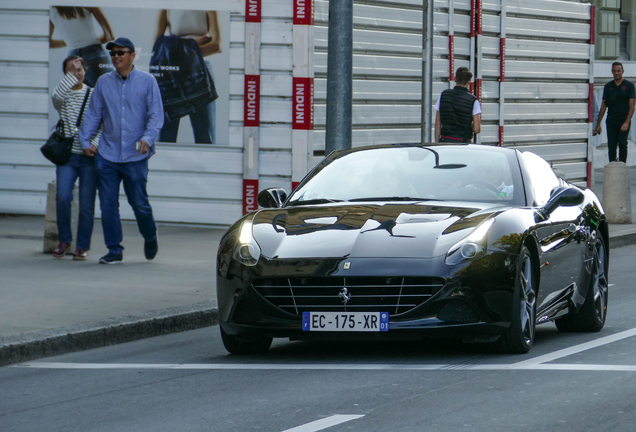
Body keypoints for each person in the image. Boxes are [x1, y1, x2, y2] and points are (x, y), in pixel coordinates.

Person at [79, 37, 164, 264]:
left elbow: (156, 115)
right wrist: (85, 140)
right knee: (108, 204)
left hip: (135, 156)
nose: (116, 56)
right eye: (113, 53)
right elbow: (94, 114)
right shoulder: (103, 82)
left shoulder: (147, 81)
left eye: (121, 52)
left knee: (139, 203)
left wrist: (147, 137)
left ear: (132, 55)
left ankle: (149, 234)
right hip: (107, 154)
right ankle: (114, 249)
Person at [51, 56, 103, 260]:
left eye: (80, 69)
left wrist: (94, 144)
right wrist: (70, 74)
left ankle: (82, 245)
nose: (78, 73)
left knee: (87, 204)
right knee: (63, 196)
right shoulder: (62, 98)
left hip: (89, 158)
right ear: (65, 75)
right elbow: (55, 95)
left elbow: (102, 124)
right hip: (67, 157)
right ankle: (64, 239)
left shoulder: (93, 94)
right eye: (72, 70)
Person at [153, 10, 221, 144]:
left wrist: (178, 51)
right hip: (172, 73)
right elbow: (157, 48)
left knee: (206, 139)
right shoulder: (166, 6)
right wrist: (192, 45)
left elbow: (217, 46)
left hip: (200, 70)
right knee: (165, 138)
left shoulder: (210, 5)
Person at [49, 7, 115, 87]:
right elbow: (109, 36)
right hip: (94, 54)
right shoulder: (87, 4)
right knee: (109, 95)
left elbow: (49, 43)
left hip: (73, 61)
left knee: (84, 98)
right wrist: (85, 41)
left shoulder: (51, 10)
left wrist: (71, 42)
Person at [595, 62, 636, 163]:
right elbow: (604, 105)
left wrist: (627, 122)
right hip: (611, 119)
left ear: (623, 71)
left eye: (618, 71)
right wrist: (598, 124)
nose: (616, 73)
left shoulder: (629, 86)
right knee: (611, 144)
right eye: (614, 71)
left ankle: (622, 165)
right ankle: (612, 164)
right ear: (612, 72)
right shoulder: (608, 86)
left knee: (622, 143)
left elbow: (632, 106)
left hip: (623, 118)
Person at [434, 67, 482, 143]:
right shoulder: (473, 100)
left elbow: (437, 124)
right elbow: (477, 129)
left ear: (455, 79)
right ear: (469, 81)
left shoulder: (444, 95)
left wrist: (437, 143)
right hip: (464, 143)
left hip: (445, 141)